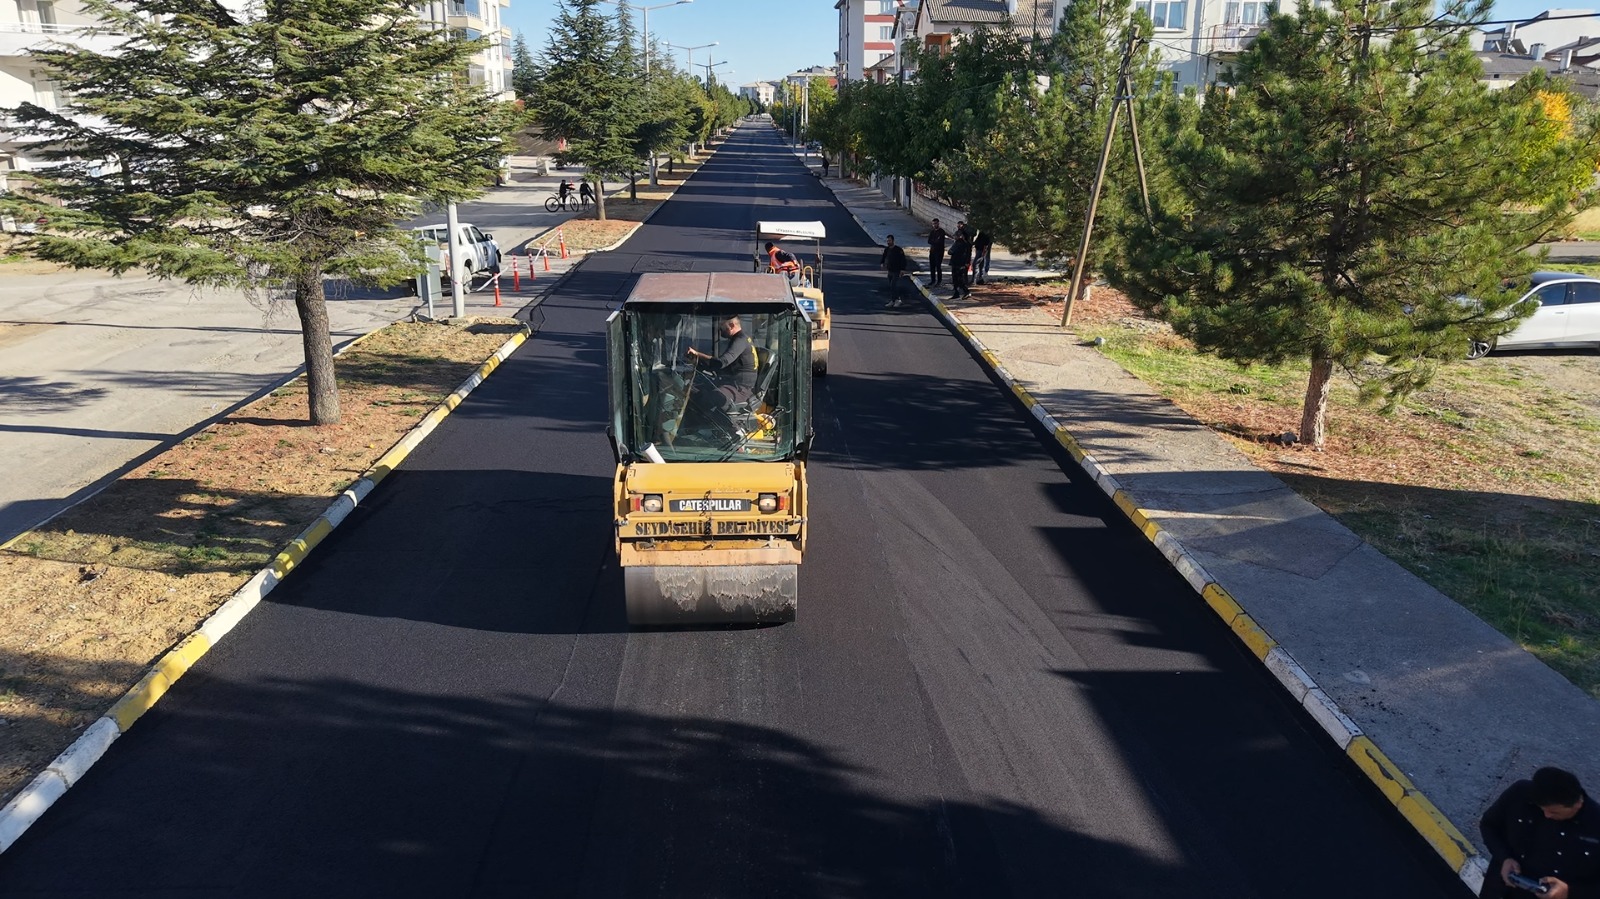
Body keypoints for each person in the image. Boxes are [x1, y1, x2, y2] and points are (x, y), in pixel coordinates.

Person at [1479, 767, 1600, 899]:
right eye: (1542, 808)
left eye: (1554, 812)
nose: (1546, 815)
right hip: (1500, 892)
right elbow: (1489, 825)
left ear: (1578, 803)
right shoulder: (1519, 793)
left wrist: (1569, 892)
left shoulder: (1595, 826)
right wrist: (1504, 858)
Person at [685, 315, 758, 424]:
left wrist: (698, 355)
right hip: (731, 384)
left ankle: (731, 430)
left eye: (721, 328)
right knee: (692, 390)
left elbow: (721, 363)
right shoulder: (740, 339)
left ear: (732, 325)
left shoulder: (740, 340)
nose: (719, 331)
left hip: (740, 390)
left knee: (707, 399)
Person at [880, 235, 909, 307]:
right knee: (891, 286)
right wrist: (882, 263)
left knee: (893, 285)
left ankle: (898, 300)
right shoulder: (887, 249)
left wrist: (903, 269)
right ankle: (893, 300)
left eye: (889, 241)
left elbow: (903, 260)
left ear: (893, 241)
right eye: (887, 241)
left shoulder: (898, 250)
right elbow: (884, 256)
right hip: (890, 270)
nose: (888, 242)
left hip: (897, 271)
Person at [948, 224, 973, 300]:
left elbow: (950, 252)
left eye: (956, 236)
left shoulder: (958, 243)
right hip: (961, 263)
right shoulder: (967, 244)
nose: (955, 237)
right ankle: (956, 293)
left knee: (958, 279)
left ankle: (966, 291)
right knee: (958, 279)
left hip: (957, 263)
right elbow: (968, 255)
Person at [926, 219, 947, 288]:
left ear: (938, 223)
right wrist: (934, 241)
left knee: (938, 266)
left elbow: (939, 241)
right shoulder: (932, 232)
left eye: (936, 223)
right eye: (933, 224)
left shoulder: (941, 232)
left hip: (939, 252)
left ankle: (939, 281)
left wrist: (934, 241)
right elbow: (929, 241)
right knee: (932, 266)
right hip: (932, 251)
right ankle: (933, 280)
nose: (934, 225)